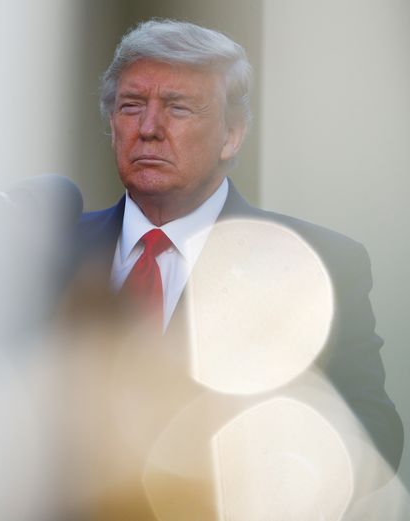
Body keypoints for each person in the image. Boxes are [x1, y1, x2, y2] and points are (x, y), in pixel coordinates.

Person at [65, 19, 403, 518]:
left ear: (233, 134)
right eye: (131, 106)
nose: (148, 128)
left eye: (178, 108)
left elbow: (371, 430)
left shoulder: (317, 261)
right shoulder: (50, 252)